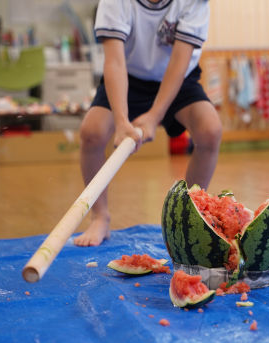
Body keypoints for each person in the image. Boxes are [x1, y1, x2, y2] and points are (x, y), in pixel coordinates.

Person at [74, 0, 222, 246]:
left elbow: (179, 62)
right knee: (92, 132)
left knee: (210, 131)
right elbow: (114, 62)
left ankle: (189, 216)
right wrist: (122, 121)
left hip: (177, 77)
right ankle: (100, 216)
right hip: (128, 77)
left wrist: (155, 115)